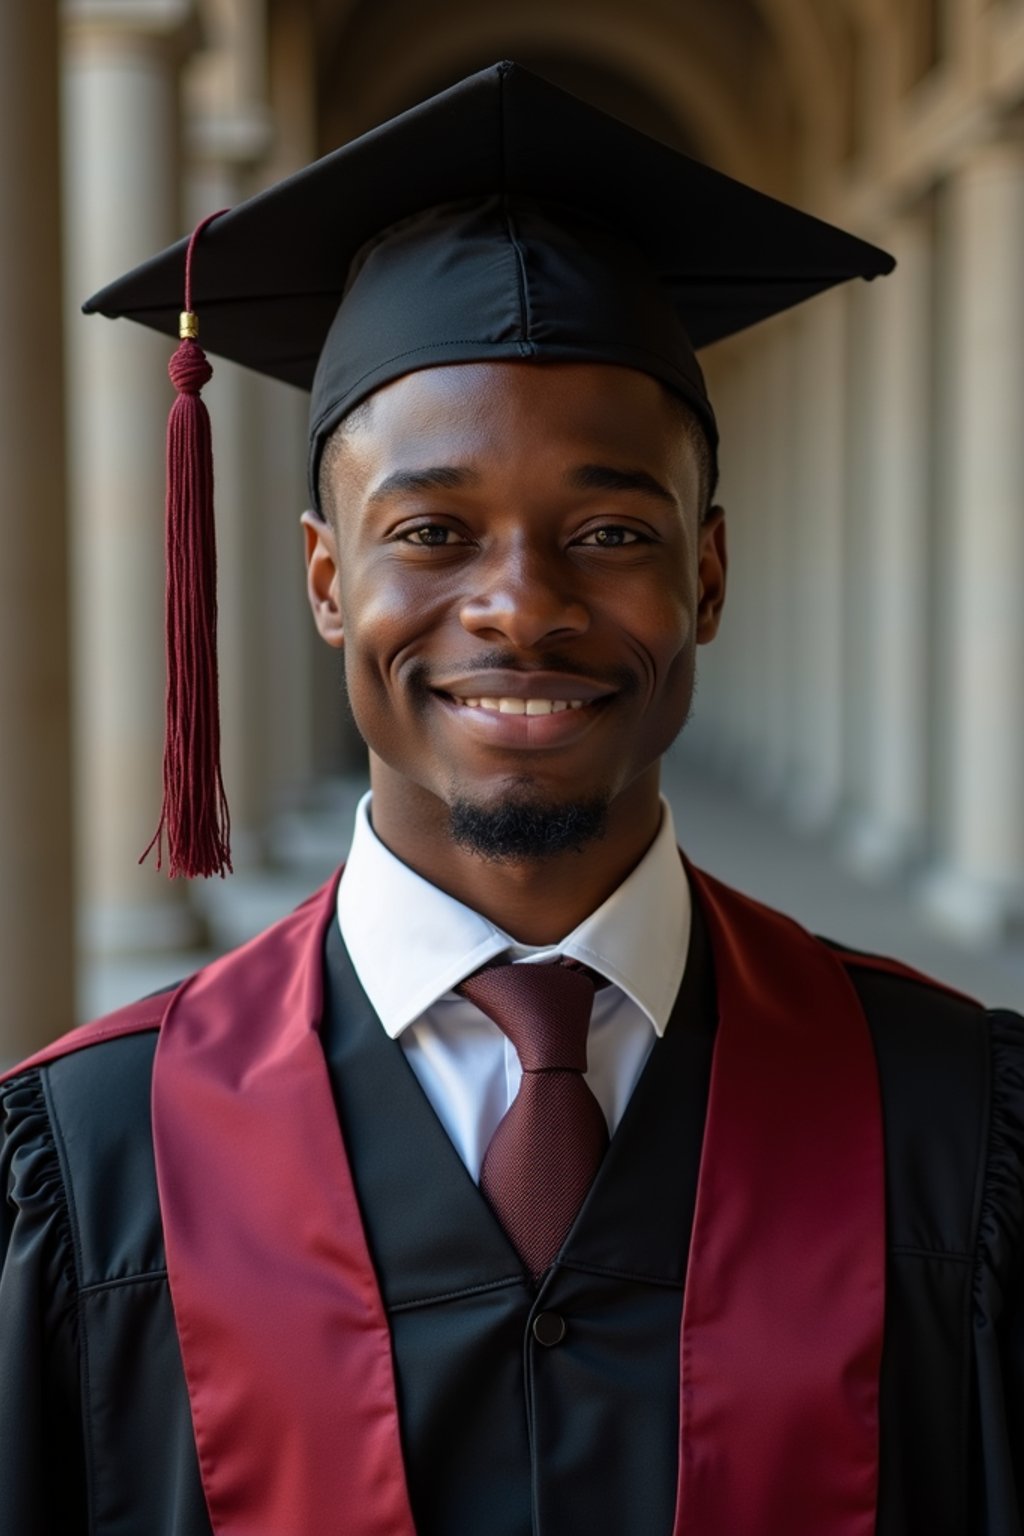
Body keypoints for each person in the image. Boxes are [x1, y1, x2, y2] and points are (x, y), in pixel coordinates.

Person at [1, 60, 1022, 1536]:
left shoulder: (950, 1120)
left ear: (707, 577)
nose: (519, 606)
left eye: (609, 529)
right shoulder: (95, 1160)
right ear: (326, 581)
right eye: (433, 529)